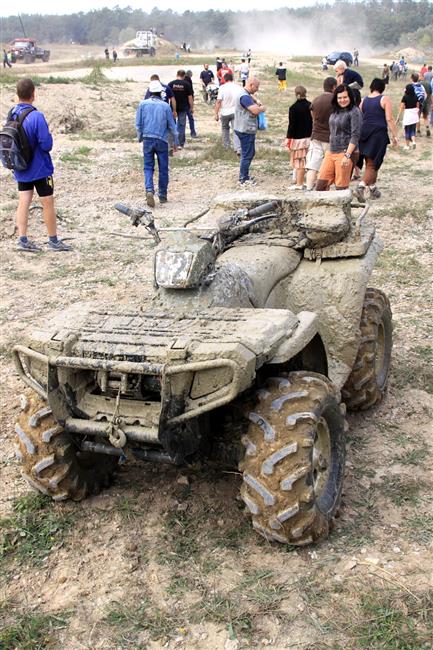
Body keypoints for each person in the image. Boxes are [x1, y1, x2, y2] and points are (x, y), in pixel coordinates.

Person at [9, 78, 71, 252]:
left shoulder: (11, 114)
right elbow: (46, 145)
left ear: (17, 94)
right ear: (33, 94)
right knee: (47, 203)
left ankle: (22, 239)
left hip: (21, 166)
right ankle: (53, 241)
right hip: (40, 169)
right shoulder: (37, 116)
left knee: (23, 202)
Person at [135, 80, 179, 206]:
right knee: (163, 168)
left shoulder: (142, 104)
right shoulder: (165, 106)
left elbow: (138, 124)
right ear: (161, 92)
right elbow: (172, 126)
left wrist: (140, 138)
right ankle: (162, 195)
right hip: (162, 140)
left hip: (147, 139)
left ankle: (149, 189)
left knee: (148, 167)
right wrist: (175, 142)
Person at [356, 78, 398, 202]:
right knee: (373, 163)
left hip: (364, 132)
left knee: (371, 161)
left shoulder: (363, 100)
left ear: (371, 87)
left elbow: (360, 116)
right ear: (382, 88)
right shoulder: (384, 99)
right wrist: (395, 135)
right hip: (378, 134)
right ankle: (361, 186)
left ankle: (373, 189)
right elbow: (389, 119)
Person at [316, 84, 362, 191]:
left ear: (350, 97)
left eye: (345, 97)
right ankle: (325, 207)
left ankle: (343, 206)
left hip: (346, 151)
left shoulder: (354, 111)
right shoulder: (335, 111)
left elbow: (355, 135)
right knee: (321, 185)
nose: (342, 100)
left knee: (341, 187)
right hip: (331, 151)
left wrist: (347, 155)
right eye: (339, 98)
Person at [305, 76, 337, 191]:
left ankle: (309, 188)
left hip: (316, 135)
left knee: (312, 165)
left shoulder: (316, 100)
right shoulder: (335, 100)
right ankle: (325, 189)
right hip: (330, 137)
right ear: (334, 87)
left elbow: (313, 117)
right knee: (327, 166)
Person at [234, 77, 266, 185]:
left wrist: (256, 100)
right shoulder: (244, 97)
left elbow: (251, 97)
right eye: (256, 87)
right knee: (247, 154)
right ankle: (243, 178)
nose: (257, 89)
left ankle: (244, 175)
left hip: (241, 127)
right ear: (251, 85)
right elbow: (255, 111)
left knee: (248, 152)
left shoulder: (243, 93)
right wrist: (262, 108)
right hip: (246, 129)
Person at [286, 86, 312, 190]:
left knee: (299, 162)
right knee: (308, 161)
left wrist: (288, 137)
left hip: (298, 139)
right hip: (309, 137)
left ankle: (299, 183)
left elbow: (292, 125)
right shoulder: (310, 106)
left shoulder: (293, 108)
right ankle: (308, 181)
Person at [215, 72, 242, 154]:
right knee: (236, 130)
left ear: (225, 79)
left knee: (225, 129)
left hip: (225, 112)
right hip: (235, 111)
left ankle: (226, 146)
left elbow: (219, 101)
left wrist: (216, 113)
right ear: (232, 79)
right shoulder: (238, 87)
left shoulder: (222, 88)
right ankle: (237, 148)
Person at [168, 70, 193, 148]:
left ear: (177, 75)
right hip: (183, 107)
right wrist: (191, 107)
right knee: (181, 125)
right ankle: (180, 144)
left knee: (172, 125)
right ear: (184, 76)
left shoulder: (171, 84)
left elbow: (168, 97)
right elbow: (190, 98)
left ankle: (172, 143)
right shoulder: (186, 84)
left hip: (172, 108)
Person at [396, 84, 419, 150]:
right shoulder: (416, 96)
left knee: (407, 131)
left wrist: (398, 117)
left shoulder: (405, 97)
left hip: (408, 115)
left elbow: (401, 107)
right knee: (412, 130)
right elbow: (417, 106)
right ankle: (414, 142)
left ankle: (407, 145)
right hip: (414, 115)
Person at [185, 70, 198, 138]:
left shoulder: (183, 80)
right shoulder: (189, 80)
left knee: (181, 119)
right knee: (190, 118)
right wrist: (192, 105)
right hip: (188, 102)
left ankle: (179, 133)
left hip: (182, 102)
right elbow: (190, 93)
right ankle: (193, 132)